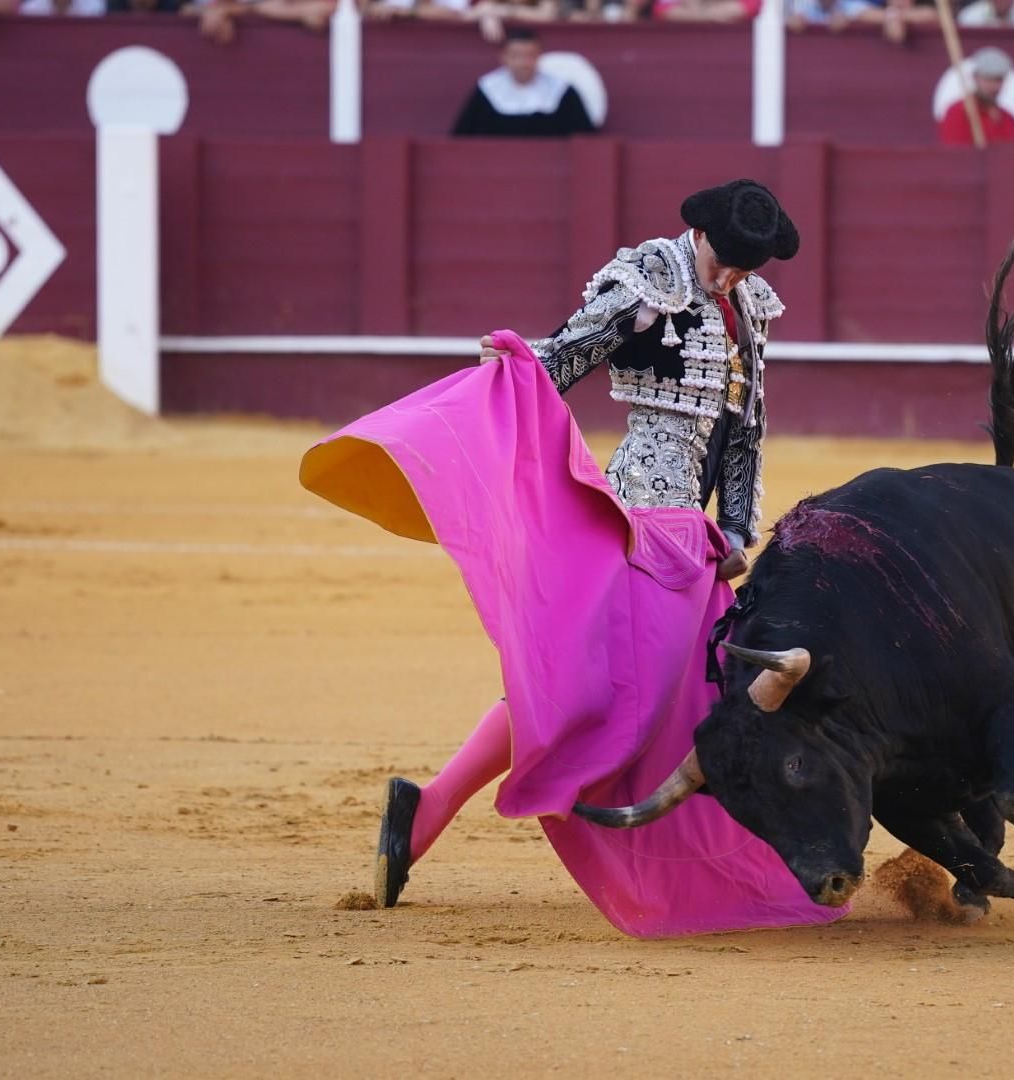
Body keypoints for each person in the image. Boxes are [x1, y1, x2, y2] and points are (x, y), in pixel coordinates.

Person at [361, 180, 800, 913]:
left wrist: (734, 527)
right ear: (699, 237)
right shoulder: (650, 282)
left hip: (693, 539)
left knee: (668, 689)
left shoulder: (749, 307)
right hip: (638, 519)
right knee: (617, 690)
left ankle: (426, 809)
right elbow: (564, 360)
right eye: (724, 262)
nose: (728, 279)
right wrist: (512, 365)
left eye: (744, 270)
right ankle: (432, 808)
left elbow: (746, 425)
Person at [451, 26, 597, 137]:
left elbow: (585, 140)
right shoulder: (487, 90)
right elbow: (462, 139)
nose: (523, 63)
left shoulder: (561, 92)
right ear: (503, 57)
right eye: (516, 56)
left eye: (530, 56)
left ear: (539, 56)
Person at [939, 47, 1014, 146]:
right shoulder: (958, 112)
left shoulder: (1008, 119)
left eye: (998, 80)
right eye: (988, 79)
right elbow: (954, 154)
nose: (993, 86)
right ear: (975, 78)